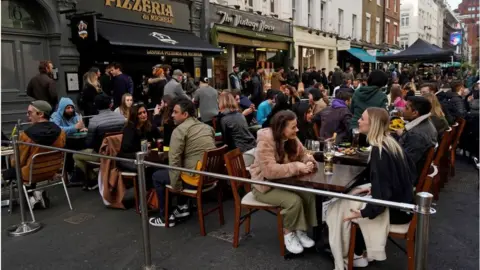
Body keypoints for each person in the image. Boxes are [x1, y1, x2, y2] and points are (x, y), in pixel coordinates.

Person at [340, 107, 416, 268]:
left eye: (362, 118)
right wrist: (375, 188)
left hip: (395, 210)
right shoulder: (390, 142)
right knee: (353, 197)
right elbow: (404, 176)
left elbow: (381, 200)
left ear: (372, 124)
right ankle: (361, 251)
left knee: (340, 208)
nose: (358, 121)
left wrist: (363, 213)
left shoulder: (380, 151)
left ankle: (356, 253)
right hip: (404, 204)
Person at [250, 110, 317, 254]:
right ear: (281, 127)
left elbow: (303, 153)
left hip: (285, 182)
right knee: (294, 201)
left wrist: (309, 161)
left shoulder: (290, 137)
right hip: (264, 186)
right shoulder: (266, 140)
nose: (297, 129)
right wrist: (296, 166)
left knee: (309, 195)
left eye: (296, 126)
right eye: (293, 127)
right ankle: (288, 232)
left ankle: (300, 228)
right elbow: (269, 171)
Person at [149, 98, 216, 227]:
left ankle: (165, 217)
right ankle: (182, 207)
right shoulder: (207, 127)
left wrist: (177, 189)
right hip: (210, 177)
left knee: (157, 176)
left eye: (175, 112)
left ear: (185, 115)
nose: (172, 115)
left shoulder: (179, 131)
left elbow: (174, 161)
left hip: (195, 180)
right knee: (182, 169)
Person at [2, 101, 65, 209]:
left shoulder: (26, 135)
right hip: (52, 170)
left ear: (40, 114)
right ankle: (37, 193)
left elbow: (18, 162)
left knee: (9, 173)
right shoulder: (61, 132)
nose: (27, 116)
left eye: (30, 113)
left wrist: (12, 157)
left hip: (31, 174)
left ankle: (32, 196)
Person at [72, 94, 125, 190]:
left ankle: (95, 178)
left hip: (102, 155)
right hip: (120, 153)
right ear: (110, 104)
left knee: (75, 155)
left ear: (96, 105)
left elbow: (89, 143)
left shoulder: (94, 121)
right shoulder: (121, 118)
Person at [396, 96, 438, 177]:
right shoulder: (426, 122)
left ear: (415, 113)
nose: (403, 109)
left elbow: (404, 162)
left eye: (406, 108)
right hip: (413, 170)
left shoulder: (416, 135)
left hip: (407, 176)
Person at [117, 103, 161, 171]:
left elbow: (160, 138)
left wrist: (151, 145)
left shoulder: (148, 125)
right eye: (140, 113)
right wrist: (143, 149)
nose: (143, 115)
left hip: (143, 156)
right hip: (128, 159)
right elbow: (125, 152)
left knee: (160, 162)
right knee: (150, 166)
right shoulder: (129, 129)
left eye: (144, 112)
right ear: (135, 116)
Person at [217, 92, 256, 165]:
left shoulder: (223, 119)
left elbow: (225, 140)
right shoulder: (240, 115)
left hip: (241, 154)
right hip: (253, 149)